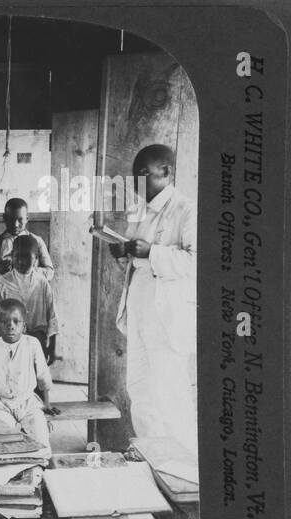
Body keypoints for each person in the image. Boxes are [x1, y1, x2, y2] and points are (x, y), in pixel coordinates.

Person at [109, 144, 197, 455]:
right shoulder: (140, 210)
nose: (137, 180)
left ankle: (185, 463)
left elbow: (198, 262)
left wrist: (153, 252)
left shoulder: (187, 210)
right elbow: (136, 258)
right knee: (140, 389)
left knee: (169, 391)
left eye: (144, 173)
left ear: (167, 172)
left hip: (166, 317)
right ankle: (153, 456)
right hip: (139, 309)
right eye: (135, 174)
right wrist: (122, 252)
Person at [0, 298, 60, 454]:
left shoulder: (32, 344)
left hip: (28, 402)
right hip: (2, 404)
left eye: (16, 322)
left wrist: (47, 403)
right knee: (1, 443)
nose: (10, 326)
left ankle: (39, 470)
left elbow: (43, 375)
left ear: (24, 326)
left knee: (41, 441)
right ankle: (12, 473)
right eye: (4, 322)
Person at [0, 233, 58, 361]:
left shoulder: (42, 283)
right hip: (10, 340)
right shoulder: (2, 284)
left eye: (27, 257)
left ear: (36, 258)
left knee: (35, 376)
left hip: (38, 341)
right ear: (11, 256)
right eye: (17, 256)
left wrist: (52, 348)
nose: (21, 261)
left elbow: (52, 316)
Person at [0, 198, 55, 284]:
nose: (16, 224)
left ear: (27, 219)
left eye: (20, 220)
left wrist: (26, 269)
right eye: (11, 219)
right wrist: (0, 272)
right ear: (4, 218)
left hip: (31, 291)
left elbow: (49, 272)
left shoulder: (37, 241)